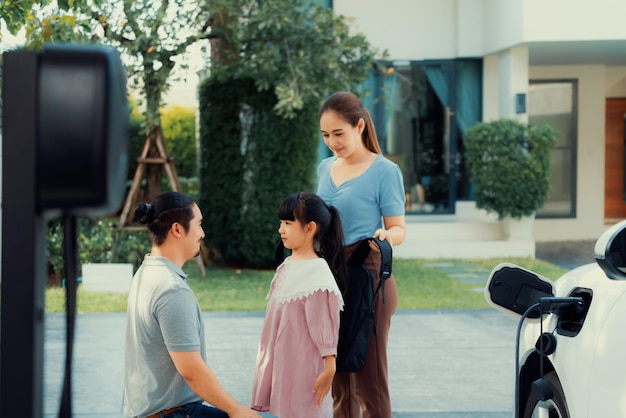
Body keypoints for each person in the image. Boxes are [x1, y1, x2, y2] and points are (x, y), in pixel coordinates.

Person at [123, 191, 260, 418]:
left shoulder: (146, 272)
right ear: (177, 229)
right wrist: (236, 410)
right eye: (199, 224)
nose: (202, 233)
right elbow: (192, 370)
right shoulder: (171, 289)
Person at [317, 91, 406, 418]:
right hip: (332, 274)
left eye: (338, 133)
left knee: (370, 377)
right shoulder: (325, 168)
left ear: (359, 126)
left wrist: (386, 236)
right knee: (337, 376)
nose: (332, 142)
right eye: (326, 135)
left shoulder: (384, 171)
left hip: (369, 276)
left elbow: (398, 228)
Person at [250, 192, 347, 417]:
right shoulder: (287, 265)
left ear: (309, 228)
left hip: (305, 370)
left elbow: (324, 326)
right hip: (284, 366)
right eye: (281, 223)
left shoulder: (317, 273)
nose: (280, 230)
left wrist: (330, 367)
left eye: (287, 223)